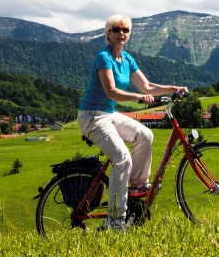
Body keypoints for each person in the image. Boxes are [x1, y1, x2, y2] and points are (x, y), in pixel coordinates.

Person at [77, 14, 189, 231]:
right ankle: (115, 220)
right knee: (122, 158)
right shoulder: (103, 57)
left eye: (126, 30)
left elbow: (146, 86)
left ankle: (137, 188)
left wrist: (173, 88)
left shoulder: (127, 59)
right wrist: (138, 98)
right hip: (91, 116)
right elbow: (111, 92)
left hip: (109, 114)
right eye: (117, 30)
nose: (122, 34)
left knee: (146, 135)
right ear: (108, 33)